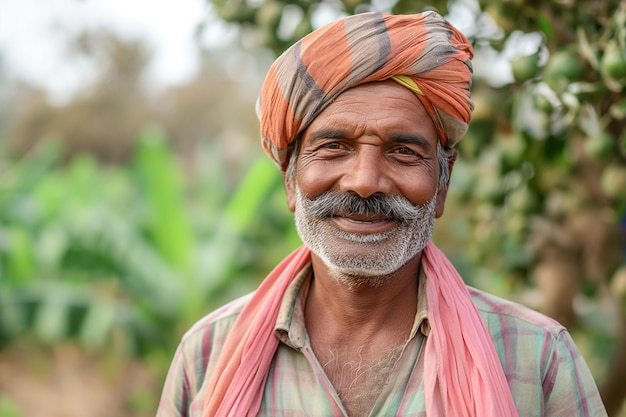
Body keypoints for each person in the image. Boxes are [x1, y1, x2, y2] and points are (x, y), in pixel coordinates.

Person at [155, 11, 607, 417]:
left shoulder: (538, 359)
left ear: (443, 182)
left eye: (403, 151)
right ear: (291, 180)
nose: (365, 180)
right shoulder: (208, 356)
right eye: (334, 147)